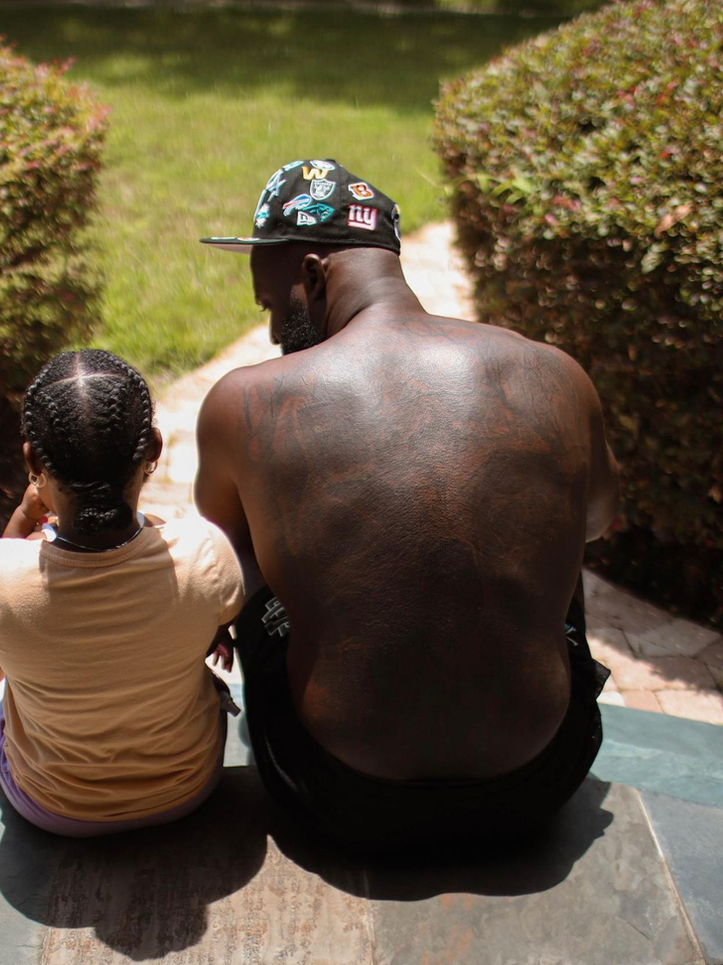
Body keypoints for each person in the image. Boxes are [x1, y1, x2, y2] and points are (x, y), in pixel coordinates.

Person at [196, 159, 620, 854]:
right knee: (547, 526)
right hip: (538, 783)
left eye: (272, 305)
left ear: (312, 274)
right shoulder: (553, 373)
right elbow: (599, 520)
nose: (274, 331)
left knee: (245, 556)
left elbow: (217, 569)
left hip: (339, 797)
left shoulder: (246, 401)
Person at [0, 349, 245, 836]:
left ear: (32, 458)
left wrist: (25, 518)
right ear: (153, 449)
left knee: (1, 668)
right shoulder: (205, 554)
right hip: (188, 790)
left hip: (53, 809)